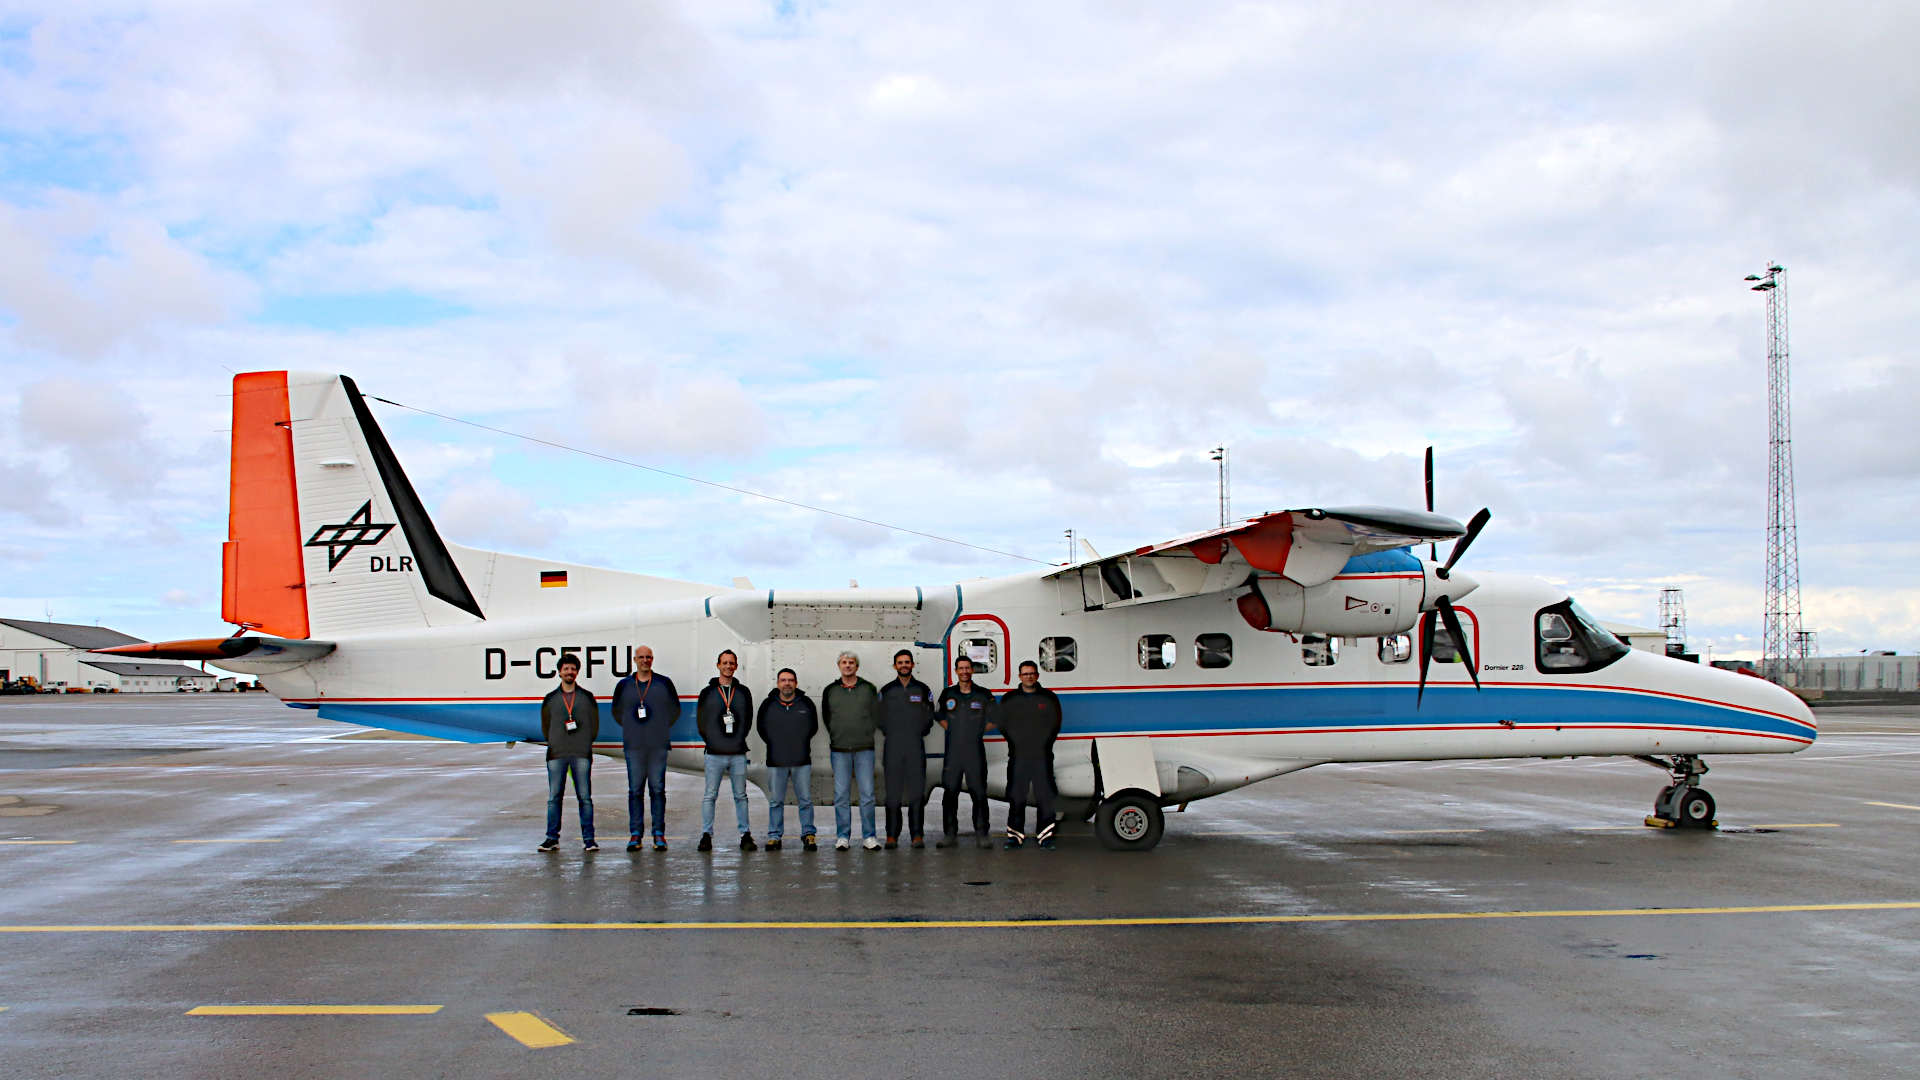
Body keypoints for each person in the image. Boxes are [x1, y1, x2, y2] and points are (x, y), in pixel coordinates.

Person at [611, 645, 678, 852]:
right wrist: (634, 728)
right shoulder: (624, 685)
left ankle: (659, 834)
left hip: (658, 744)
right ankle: (636, 834)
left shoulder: (663, 683)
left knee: (657, 789)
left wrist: (657, 727)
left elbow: (674, 710)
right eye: (641, 657)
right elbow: (616, 712)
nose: (645, 660)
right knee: (635, 791)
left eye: (648, 657)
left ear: (652, 659)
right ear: (634, 660)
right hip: (634, 745)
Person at [997, 660, 1062, 849]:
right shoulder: (1010, 699)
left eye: (1032, 673)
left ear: (1037, 676)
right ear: (1020, 676)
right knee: (1017, 796)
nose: (1029, 676)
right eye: (1025, 674)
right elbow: (1002, 724)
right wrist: (1014, 742)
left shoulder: (1049, 698)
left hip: (1042, 756)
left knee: (1045, 796)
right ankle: (1015, 837)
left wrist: (1045, 744)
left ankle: (1046, 837)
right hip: (1018, 757)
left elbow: (1056, 724)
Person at [696, 649, 756, 852]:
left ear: (736, 666)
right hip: (714, 753)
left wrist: (737, 739)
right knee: (710, 795)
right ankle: (706, 835)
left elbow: (748, 720)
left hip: (737, 752)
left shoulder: (743, 692)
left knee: (740, 795)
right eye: (725, 663)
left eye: (732, 663)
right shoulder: (708, 693)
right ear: (718, 665)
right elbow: (701, 722)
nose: (728, 666)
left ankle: (745, 834)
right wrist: (713, 741)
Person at [936, 655, 997, 849]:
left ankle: (982, 833)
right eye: (961, 668)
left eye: (968, 668)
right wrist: (952, 730)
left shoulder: (983, 694)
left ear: (972, 670)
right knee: (950, 793)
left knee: (978, 792)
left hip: (974, 750)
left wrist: (977, 731)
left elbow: (996, 718)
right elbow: (939, 715)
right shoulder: (948, 694)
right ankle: (950, 835)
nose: (964, 671)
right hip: (953, 751)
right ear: (956, 671)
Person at [538, 653, 598, 853]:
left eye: (573, 668)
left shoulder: (587, 697)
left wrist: (583, 744)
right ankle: (551, 838)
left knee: (585, 798)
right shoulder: (551, 699)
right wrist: (555, 742)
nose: (569, 672)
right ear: (559, 672)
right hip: (557, 754)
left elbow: (594, 726)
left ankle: (589, 839)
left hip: (581, 754)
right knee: (554, 798)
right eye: (566, 669)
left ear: (577, 672)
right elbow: (546, 726)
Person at [821, 650, 880, 851]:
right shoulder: (830, 690)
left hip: (864, 749)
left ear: (857, 666)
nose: (848, 665)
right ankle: (843, 836)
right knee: (841, 795)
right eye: (844, 662)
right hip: (839, 750)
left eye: (851, 663)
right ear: (839, 666)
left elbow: (875, 716)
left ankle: (869, 836)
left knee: (867, 795)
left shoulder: (868, 689)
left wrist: (862, 733)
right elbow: (827, 718)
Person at [755, 667, 819, 852]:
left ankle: (808, 834)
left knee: (805, 799)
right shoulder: (768, 705)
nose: (787, 683)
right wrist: (776, 744)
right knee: (776, 801)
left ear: (796, 683)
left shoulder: (806, 703)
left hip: (801, 760)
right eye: (783, 680)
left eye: (790, 680)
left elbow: (812, 728)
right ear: (778, 683)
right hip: (776, 760)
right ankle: (774, 836)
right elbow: (761, 728)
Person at [877, 649, 935, 848]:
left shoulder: (922, 689)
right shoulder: (887, 691)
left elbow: (929, 715)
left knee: (916, 793)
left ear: (912, 665)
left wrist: (918, 731)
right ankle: (892, 835)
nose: (904, 665)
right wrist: (891, 732)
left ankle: (917, 835)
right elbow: (879, 717)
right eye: (900, 662)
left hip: (914, 745)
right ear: (895, 666)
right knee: (892, 794)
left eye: (907, 662)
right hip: (893, 745)